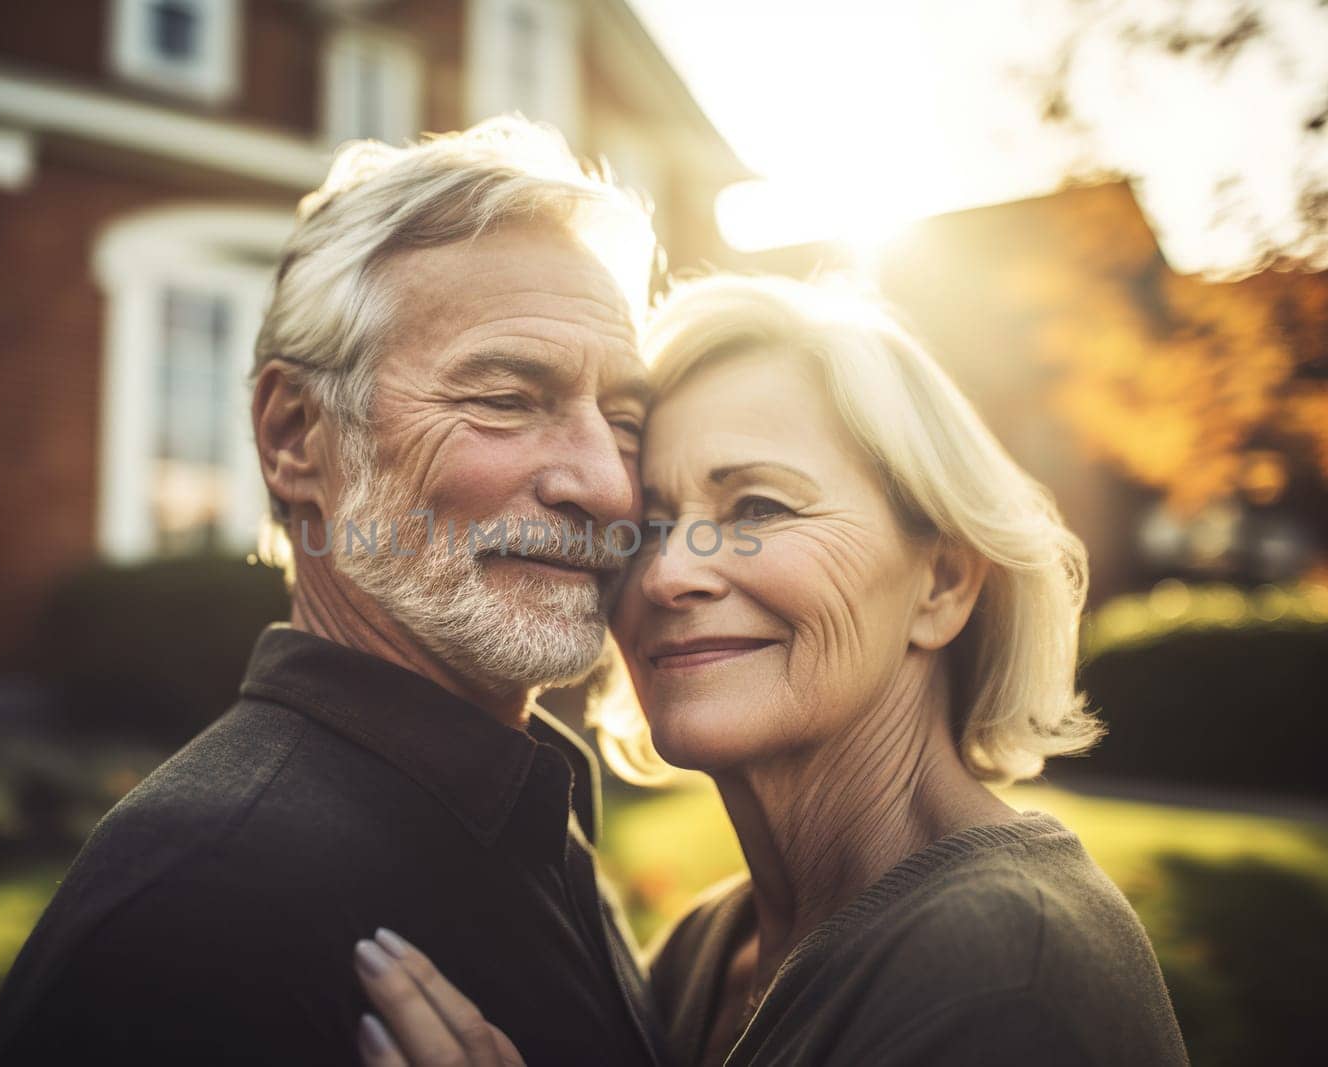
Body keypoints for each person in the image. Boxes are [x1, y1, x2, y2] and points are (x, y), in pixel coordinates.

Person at [349, 274, 1190, 1066]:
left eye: (759, 508)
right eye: (645, 524)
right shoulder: (704, 949)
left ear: (941, 582)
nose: (672, 572)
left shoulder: (1007, 973)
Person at [0, 118, 666, 1066]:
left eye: (624, 418)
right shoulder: (195, 915)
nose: (608, 484)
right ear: (295, 434)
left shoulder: (525, 809)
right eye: (507, 398)